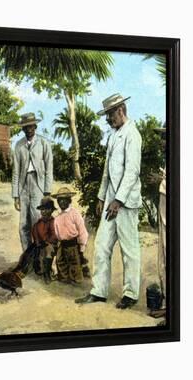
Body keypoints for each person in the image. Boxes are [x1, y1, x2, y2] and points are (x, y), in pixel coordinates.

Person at [76, 93, 142, 309]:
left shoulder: (133, 135)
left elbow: (132, 172)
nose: (107, 119)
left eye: (110, 115)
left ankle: (131, 294)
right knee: (102, 246)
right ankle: (99, 291)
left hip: (126, 203)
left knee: (129, 250)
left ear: (120, 111)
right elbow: (107, 171)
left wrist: (118, 201)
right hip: (110, 202)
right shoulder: (114, 135)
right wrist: (102, 197)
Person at [12, 112, 53, 251]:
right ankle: (27, 256)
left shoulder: (43, 143)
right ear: (22, 129)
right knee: (23, 225)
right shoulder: (19, 145)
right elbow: (16, 171)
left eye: (31, 126)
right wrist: (16, 196)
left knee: (37, 221)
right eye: (26, 127)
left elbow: (49, 167)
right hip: (24, 185)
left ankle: (40, 257)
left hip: (38, 184)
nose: (29, 129)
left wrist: (47, 191)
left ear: (35, 126)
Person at [13, 196, 58, 284]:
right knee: (27, 254)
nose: (44, 212)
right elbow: (35, 232)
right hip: (40, 243)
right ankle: (22, 270)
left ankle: (47, 273)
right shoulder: (38, 223)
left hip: (50, 244)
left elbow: (54, 235)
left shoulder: (53, 222)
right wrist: (37, 241)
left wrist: (47, 241)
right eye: (42, 210)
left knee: (48, 252)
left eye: (47, 209)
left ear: (51, 210)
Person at [146, 124, 167, 319]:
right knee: (163, 260)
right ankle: (168, 304)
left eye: (165, 137)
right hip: (164, 215)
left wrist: (161, 180)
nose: (162, 142)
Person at [53, 187, 89, 284]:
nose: (62, 203)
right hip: (62, 244)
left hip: (73, 243)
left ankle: (77, 280)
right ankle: (64, 279)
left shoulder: (74, 213)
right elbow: (57, 233)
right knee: (60, 262)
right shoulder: (57, 217)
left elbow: (82, 230)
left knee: (74, 263)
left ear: (69, 200)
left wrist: (82, 247)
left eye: (64, 200)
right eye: (60, 200)